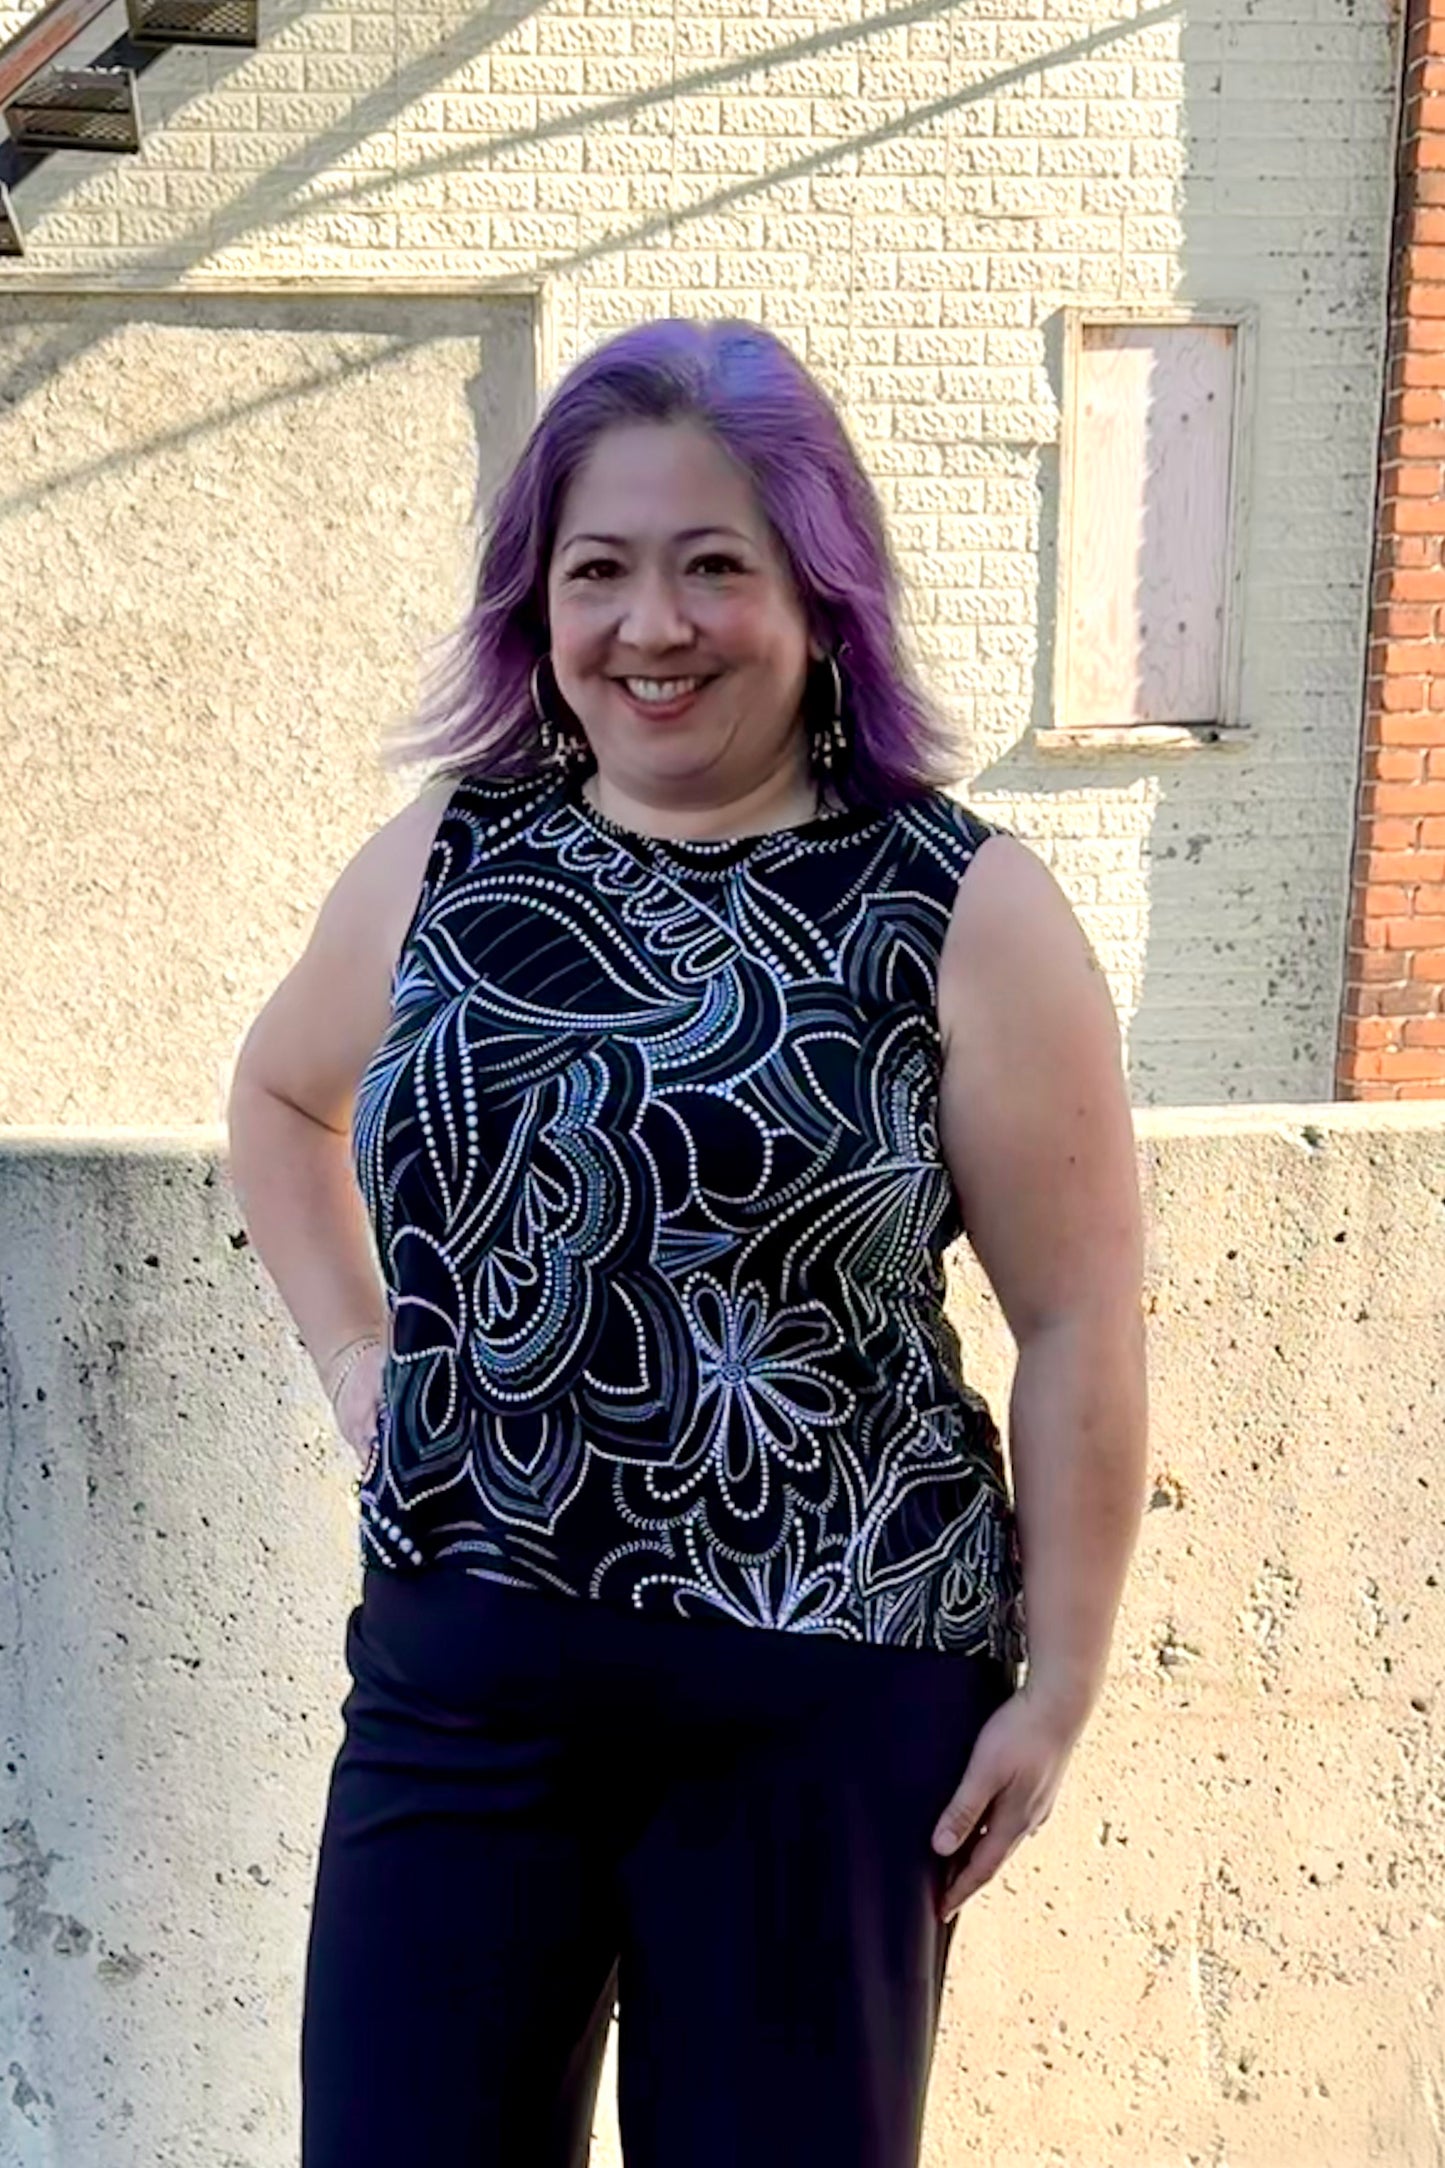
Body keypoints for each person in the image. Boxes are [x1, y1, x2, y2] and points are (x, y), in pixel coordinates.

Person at [225, 317, 1148, 2168]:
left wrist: (1056, 1683)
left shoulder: (959, 906)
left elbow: (1075, 1318)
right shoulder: (446, 858)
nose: (652, 626)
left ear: (817, 594)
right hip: (463, 1677)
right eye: (598, 571)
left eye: (713, 565)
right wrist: (354, 1358)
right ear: (538, 604)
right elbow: (274, 1102)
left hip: (824, 1703)